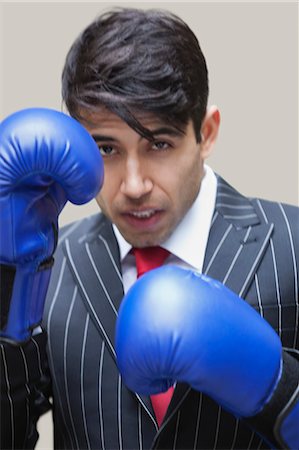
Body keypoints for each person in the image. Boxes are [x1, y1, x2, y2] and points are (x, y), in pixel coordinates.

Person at [0, 7, 298, 450]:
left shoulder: (292, 244)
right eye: (106, 148)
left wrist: (282, 393)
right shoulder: (49, 265)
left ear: (207, 133)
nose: (134, 186)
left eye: (159, 143)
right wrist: (7, 289)